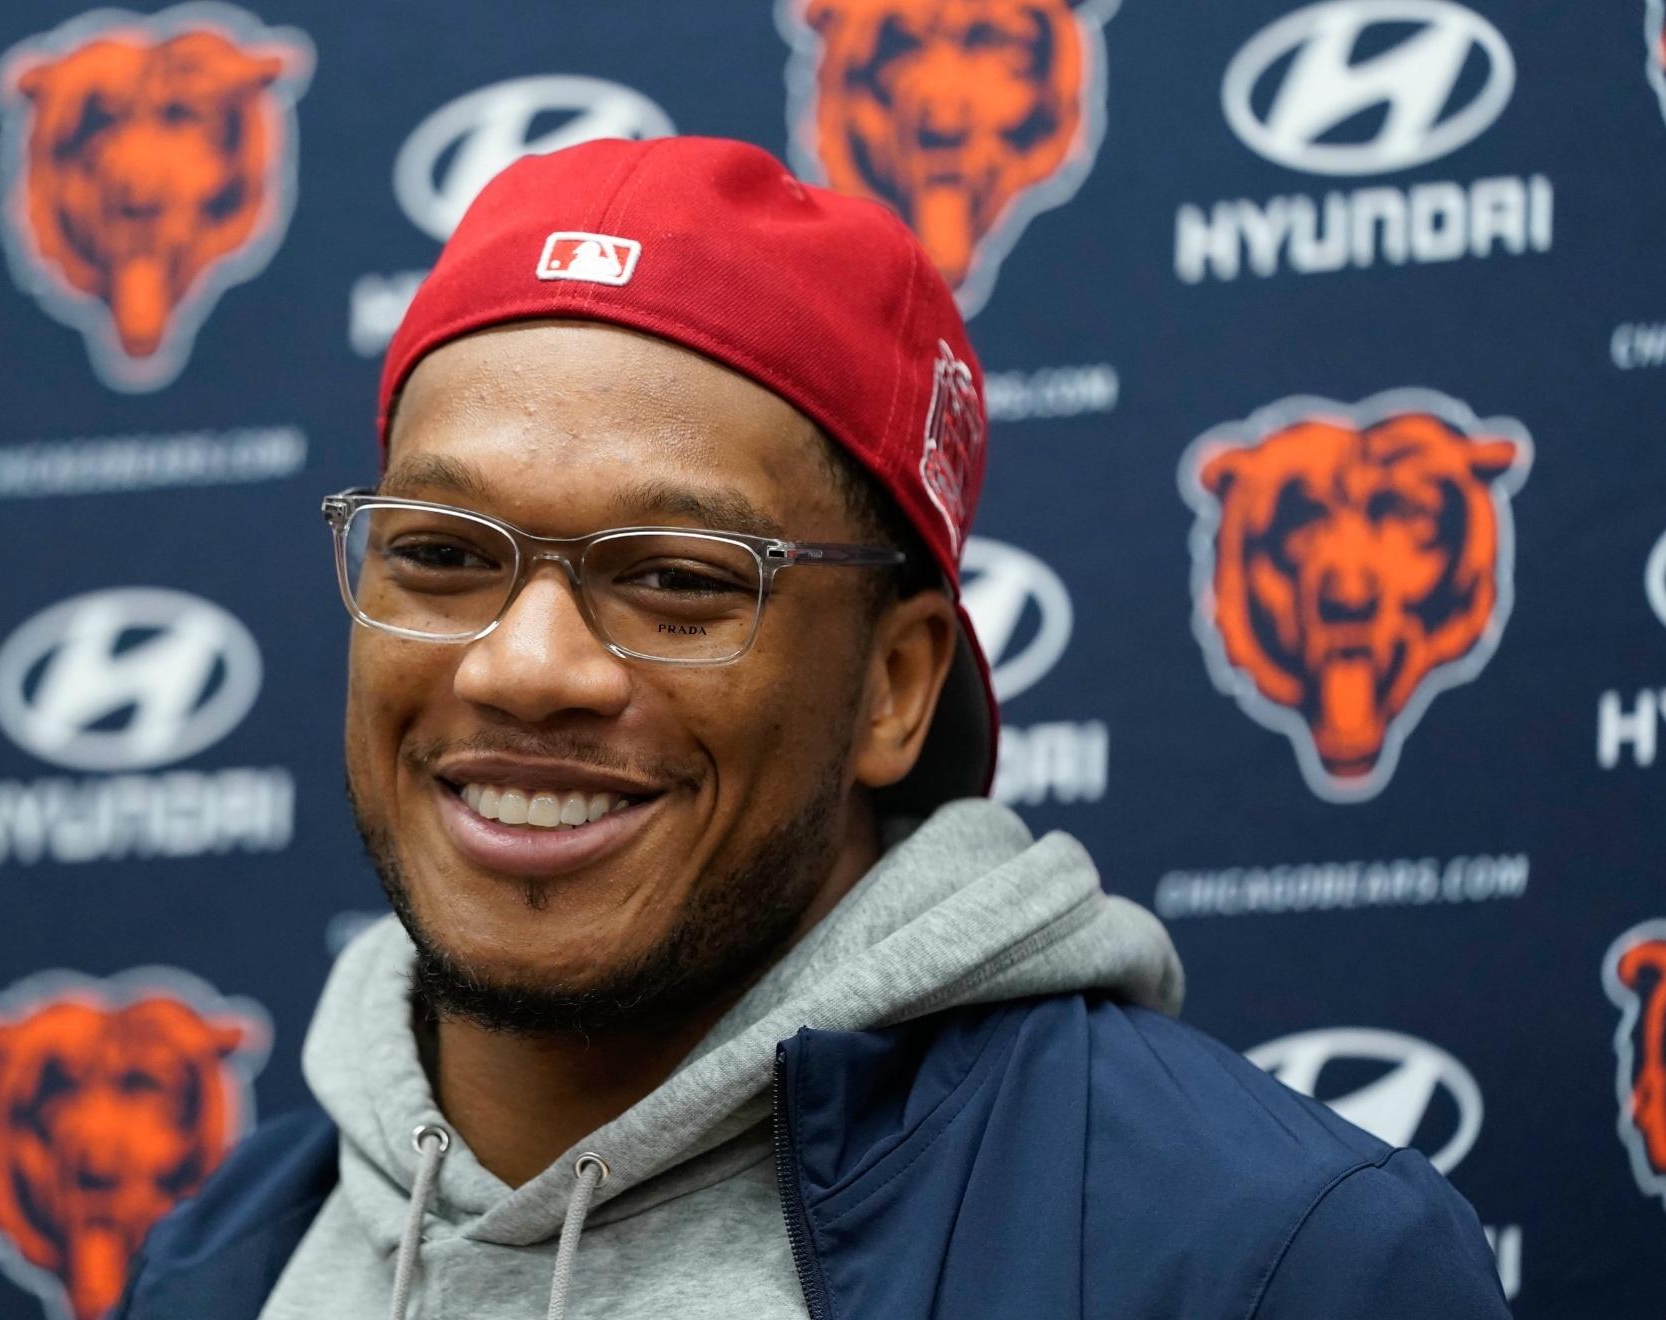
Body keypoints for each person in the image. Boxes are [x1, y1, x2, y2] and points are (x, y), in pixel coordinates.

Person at [117, 137, 1511, 1319]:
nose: (524, 667)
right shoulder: (216, 1265)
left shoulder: (1267, 1262)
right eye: (443, 554)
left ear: (896, 688)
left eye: (676, 580)